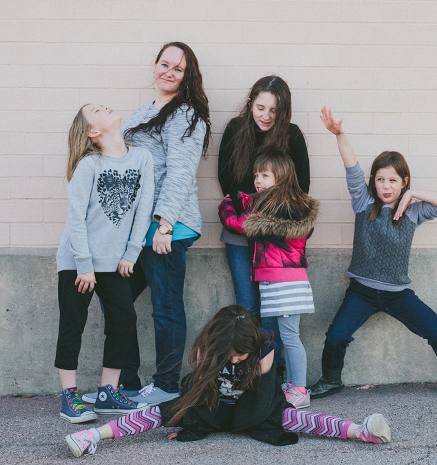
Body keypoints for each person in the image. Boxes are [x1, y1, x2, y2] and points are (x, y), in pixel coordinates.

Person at [308, 108, 437, 400]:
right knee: (336, 336)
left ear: (404, 182)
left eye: (393, 181)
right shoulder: (363, 202)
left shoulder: (413, 211)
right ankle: (330, 379)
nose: (386, 186)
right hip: (361, 292)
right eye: (380, 180)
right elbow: (352, 167)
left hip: (398, 294)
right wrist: (340, 134)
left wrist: (413, 195)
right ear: (373, 182)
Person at [64, 305, 391, 458]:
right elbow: (198, 389)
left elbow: (261, 393)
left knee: (300, 418)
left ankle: (362, 432)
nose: (235, 360)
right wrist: (192, 418)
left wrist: (259, 419)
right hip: (211, 403)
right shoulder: (210, 347)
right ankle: (92, 436)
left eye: (240, 355)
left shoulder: (264, 348)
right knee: (157, 412)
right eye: (229, 355)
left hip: (257, 405)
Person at [82, 42, 211, 407]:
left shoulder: (185, 115)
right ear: (154, 66)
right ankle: (126, 384)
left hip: (168, 228)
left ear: (188, 77)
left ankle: (167, 384)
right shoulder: (145, 111)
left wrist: (165, 225)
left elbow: (181, 173)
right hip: (140, 231)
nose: (169, 72)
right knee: (115, 300)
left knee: (166, 306)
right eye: (165, 64)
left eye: (178, 69)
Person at [55, 104, 154, 423]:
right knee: (73, 323)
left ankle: (107, 392)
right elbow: (76, 219)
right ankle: (69, 397)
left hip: (113, 262)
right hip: (77, 260)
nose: (105, 107)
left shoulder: (142, 158)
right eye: (96, 110)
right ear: (93, 132)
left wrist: (132, 253)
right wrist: (84, 264)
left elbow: (144, 209)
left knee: (123, 319)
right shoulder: (88, 166)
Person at [217, 76, 310, 371]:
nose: (266, 116)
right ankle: (246, 368)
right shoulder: (235, 130)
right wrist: (248, 218)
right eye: (260, 107)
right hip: (240, 232)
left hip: (275, 241)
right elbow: (227, 181)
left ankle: (272, 371)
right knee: (247, 304)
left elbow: (300, 187)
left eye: (274, 110)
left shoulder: (292, 136)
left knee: (273, 310)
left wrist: (269, 221)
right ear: (250, 103)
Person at [218, 152, 319, 408]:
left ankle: (299, 389)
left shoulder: (278, 208)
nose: (257, 180)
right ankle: (292, 385)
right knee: (281, 335)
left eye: (264, 175)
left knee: (290, 337)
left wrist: (226, 205)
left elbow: (241, 223)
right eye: (256, 175)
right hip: (277, 280)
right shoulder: (279, 203)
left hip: (285, 281)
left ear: (281, 177)